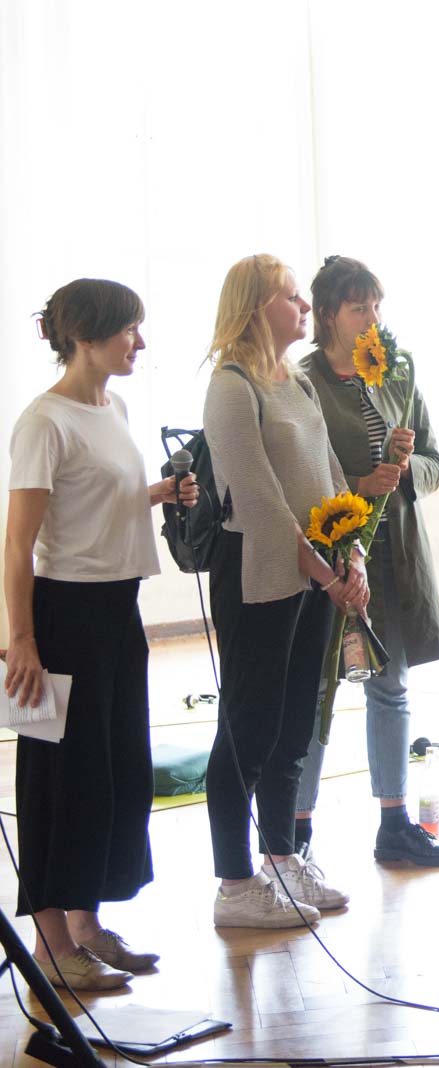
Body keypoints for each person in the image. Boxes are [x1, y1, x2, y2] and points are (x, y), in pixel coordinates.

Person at [3, 279, 196, 990]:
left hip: (117, 612)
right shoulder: (43, 422)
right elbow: (18, 544)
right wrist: (22, 641)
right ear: (85, 337)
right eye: (128, 330)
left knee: (110, 775)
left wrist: (158, 494)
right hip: (62, 619)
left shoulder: (112, 407)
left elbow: (91, 502)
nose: (138, 343)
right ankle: (51, 946)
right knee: (60, 781)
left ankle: (86, 927)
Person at [204, 254, 366, 927]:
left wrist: (352, 552)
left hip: (315, 573)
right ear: (255, 306)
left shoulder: (296, 379)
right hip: (259, 573)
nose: (304, 308)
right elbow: (263, 504)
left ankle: (281, 859)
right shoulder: (231, 386)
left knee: (296, 724)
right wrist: (326, 574)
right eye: (292, 297)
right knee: (250, 727)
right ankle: (234, 883)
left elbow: (331, 475)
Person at [292, 255, 439, 868]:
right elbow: (300, 472)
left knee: (391, 688)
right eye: (359, 307)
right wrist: (360, 484)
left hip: (395, 555)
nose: (372, 318)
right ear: (327, 314)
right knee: (317, 692)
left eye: (377, 306)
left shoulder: (396, 374)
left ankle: (394, 823)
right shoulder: (303, 382)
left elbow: (435, 461)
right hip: (329, 559)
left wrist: (407, 469)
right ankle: (295, 832)